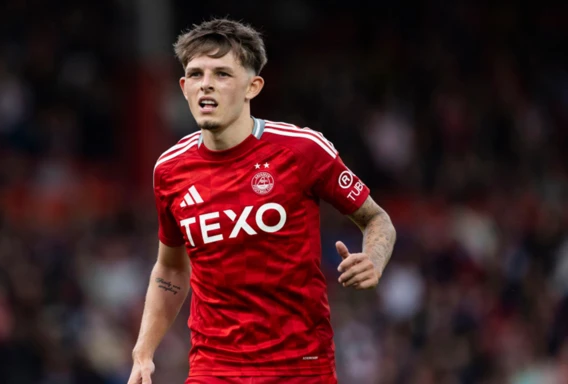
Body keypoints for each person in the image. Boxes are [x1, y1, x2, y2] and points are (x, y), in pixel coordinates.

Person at [128, 18, 396, 384]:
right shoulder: (169, 170)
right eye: (195, 74)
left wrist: (374, 261)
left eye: (222, 74)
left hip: (300, 366)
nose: (206, 83)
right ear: (183, 86)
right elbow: (172, 268)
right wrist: (143, 352)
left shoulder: (302, 150)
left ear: (252, 86)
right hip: (213, 369)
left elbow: (376, 219)